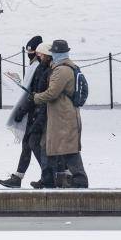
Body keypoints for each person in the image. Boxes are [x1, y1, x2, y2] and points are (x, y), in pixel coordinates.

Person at [31, 39, 89, 188]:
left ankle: (80, 179)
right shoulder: (67, 66)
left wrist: (36, 97)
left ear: (56, 53)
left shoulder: (61, 70)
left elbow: (52, 93)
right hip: (61, 115)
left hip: (63, 116)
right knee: (50, 146)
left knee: (68, 149)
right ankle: (48, 178)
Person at [0, 36, 49, 188]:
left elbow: (34, 93)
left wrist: (23, 109)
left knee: (33, 144)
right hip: (33, 111)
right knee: (28, 144)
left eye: (34, 52)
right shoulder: (36, 66)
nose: (31, 55)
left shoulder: (39, 68)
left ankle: (49, 176)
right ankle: (19, 177)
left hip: (37, 111)